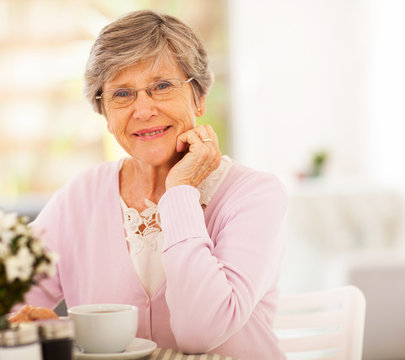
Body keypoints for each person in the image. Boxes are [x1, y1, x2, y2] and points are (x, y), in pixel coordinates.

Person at [18, 10, 288, 360]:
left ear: (200, 98)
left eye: (162, 86)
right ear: (105, 115)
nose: (143, 110)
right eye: (122, 94)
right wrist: (31, 324)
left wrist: (181, 192)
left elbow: (200, 332)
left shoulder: (256, 195)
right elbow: (2, 303)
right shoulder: (80, 196)